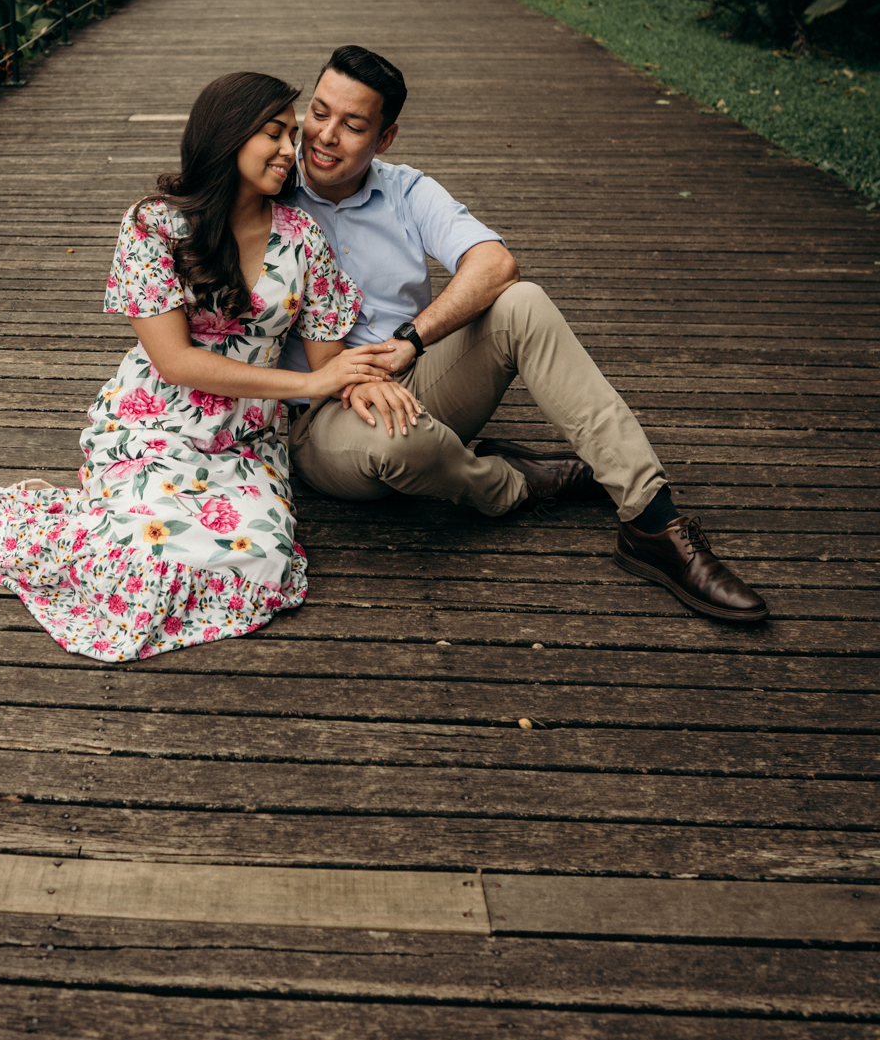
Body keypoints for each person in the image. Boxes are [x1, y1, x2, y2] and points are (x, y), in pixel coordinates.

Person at [0, 71, 412, 661]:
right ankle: (5, 527)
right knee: (142, 561)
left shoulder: (303, 239)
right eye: (274, 133)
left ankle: (73, 509)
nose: (290, 149)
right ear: (228, 135)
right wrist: (309, 381)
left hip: (242, 443)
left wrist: (370, 381)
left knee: (261, 562)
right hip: (153, 424)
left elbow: (331, 363)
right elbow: (174, 362)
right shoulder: (154, 225)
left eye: (290, 135)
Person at [279, 45, 768, 626]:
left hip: (412, 373)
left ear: (384, 139)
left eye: (353, 125)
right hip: (323, 413)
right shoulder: (270, 187)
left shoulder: (406, 190)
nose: (325, 135)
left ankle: (652, 521)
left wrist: (413, 339)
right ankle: (513, 482)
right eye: (319, 112)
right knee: (396, 444)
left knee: (523, 301)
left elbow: (495, 264)